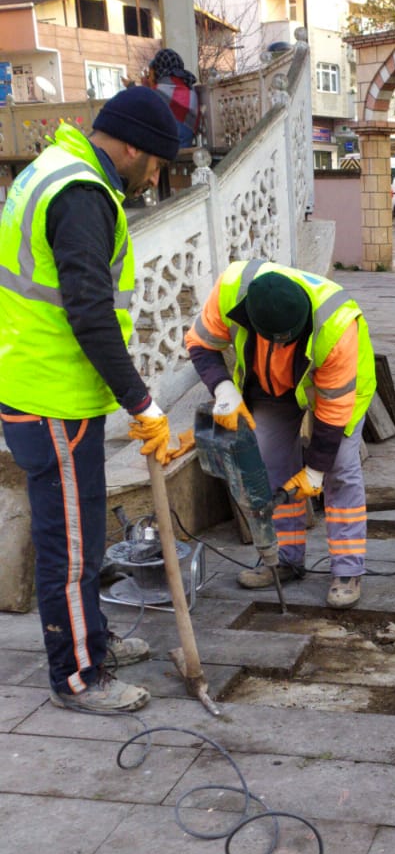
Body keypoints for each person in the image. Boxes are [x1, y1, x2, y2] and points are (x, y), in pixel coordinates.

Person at [0, 86, 188, 713]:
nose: (155, 175)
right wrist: (141, 402)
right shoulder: (80, 195)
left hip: (46, 389)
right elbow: (88, 311)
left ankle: (93, 638)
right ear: (131, 146)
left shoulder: (53, 172)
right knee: (71, 547)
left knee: (80, 539)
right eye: (156, 161)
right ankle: (78, 675)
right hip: (51, 396)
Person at [185, 260, 375, 607]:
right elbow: (200, 342)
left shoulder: (337, 326)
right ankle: (284, 559)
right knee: (269, 463)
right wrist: (224, 389)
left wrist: (314, 470)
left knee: (340, 470)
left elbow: (332, 413)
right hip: (272, 386)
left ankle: (348, 570)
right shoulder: (231, 288)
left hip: (339, 389)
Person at [143, 49, 200, 150]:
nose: (149, 78)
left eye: (150, 74)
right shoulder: (189, 88)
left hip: (165, 154)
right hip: (185, 151)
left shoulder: (157, 93)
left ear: (158, 71)